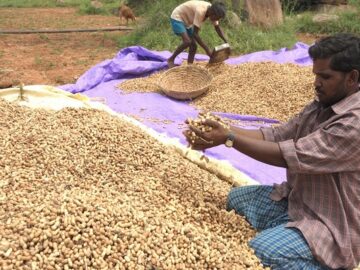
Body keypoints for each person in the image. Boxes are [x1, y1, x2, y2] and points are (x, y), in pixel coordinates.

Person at [184, 33, 360, 270]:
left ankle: (322, 259)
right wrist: (223, 128)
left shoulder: (354, 124)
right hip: (299, 200)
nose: (316, 83)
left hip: (333, 223)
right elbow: (278, 135)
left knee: (262, 251)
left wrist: (228, 139)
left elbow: (289, 155)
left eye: (325, 77)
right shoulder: (322, 103)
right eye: (315, 75)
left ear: (352, 78)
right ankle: (291, 233)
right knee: (236, 199)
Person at [167, 0, 227, 68]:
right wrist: (207, 50)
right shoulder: (201, 11)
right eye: (216, 18)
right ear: (212, 13)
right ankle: (171, 59)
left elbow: (217, 28)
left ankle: (189, 66)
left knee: (194, 46)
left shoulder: (212, 11)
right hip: (178, 17)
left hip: (187, 22)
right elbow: (195, 34)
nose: (216, 20)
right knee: (187, 42)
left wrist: (226, 42)